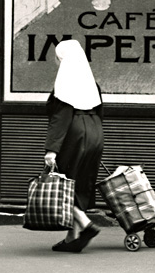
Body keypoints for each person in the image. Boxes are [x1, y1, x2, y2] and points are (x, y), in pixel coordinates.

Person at [44, 39, 104, 253]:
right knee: (78, 184)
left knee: (58, 184)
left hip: (75, 134)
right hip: (95, 132)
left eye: (58, 58)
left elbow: (61, 117)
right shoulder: (91, 83)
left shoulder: (65, 83)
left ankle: (85, 225)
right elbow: (100, 111)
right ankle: (72, 238)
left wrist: (52, 149)